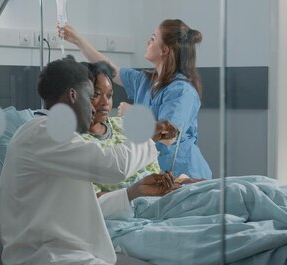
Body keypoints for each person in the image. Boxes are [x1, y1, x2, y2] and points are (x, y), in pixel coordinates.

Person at [0, 56, 181, 265]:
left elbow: (86, 206)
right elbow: (115, 166)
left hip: (73, 253)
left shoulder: (61, 137)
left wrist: (132, 193)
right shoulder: (43, 134)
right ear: (72, 95)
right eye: (90, 95)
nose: (95, 105)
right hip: (45, 262)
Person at [61, 19, 212, 180]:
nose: (148, 42)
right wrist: (77, 40)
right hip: (155, 174)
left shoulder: (182, 91)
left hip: (184, 175)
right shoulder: (145, 81)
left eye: (153, 38)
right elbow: (109, 68)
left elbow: (169, 135)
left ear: (165, 50)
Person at [81, 60, 163, 194]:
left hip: (162, 195)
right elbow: (95, 200)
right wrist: (136, 192)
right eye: (96, 94)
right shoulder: (79, 143)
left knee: (206, 190)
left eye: (109, 95)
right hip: (135, 206)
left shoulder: (122, 125)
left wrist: (177, 182)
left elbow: (155, 170)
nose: (105, 102)